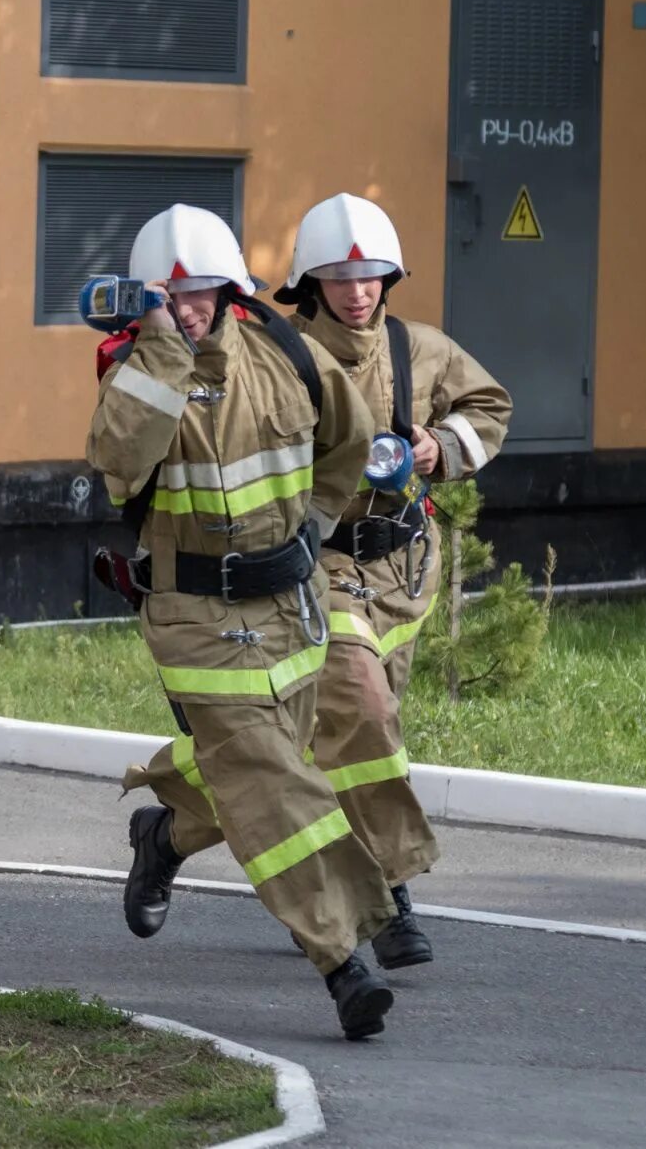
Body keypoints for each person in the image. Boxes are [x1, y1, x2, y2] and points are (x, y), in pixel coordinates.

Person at [94, 202, 401, 1040]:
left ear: (234, 289)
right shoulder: (136, 371)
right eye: (173, 295)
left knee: (255, 775)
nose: (190, 308)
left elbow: (352, 438)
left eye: (204, 293)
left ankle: (164, 835)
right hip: (191, 614)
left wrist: (319, 520)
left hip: (288, 607)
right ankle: (344, 961)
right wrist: (157, 346)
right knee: (272, 780)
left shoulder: (287, 353)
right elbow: (118, 465)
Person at [280, 192, 513, 967]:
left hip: (406, 567)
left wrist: (439, 445)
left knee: (343, 738)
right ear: (310, 281)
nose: (358, 289)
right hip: (319, 564)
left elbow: (491, 405)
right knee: (366, 718)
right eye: (341, 276)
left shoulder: (421, 350)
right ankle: (393, 895)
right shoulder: (281, 353)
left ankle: (171, 832)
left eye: (373, 274)